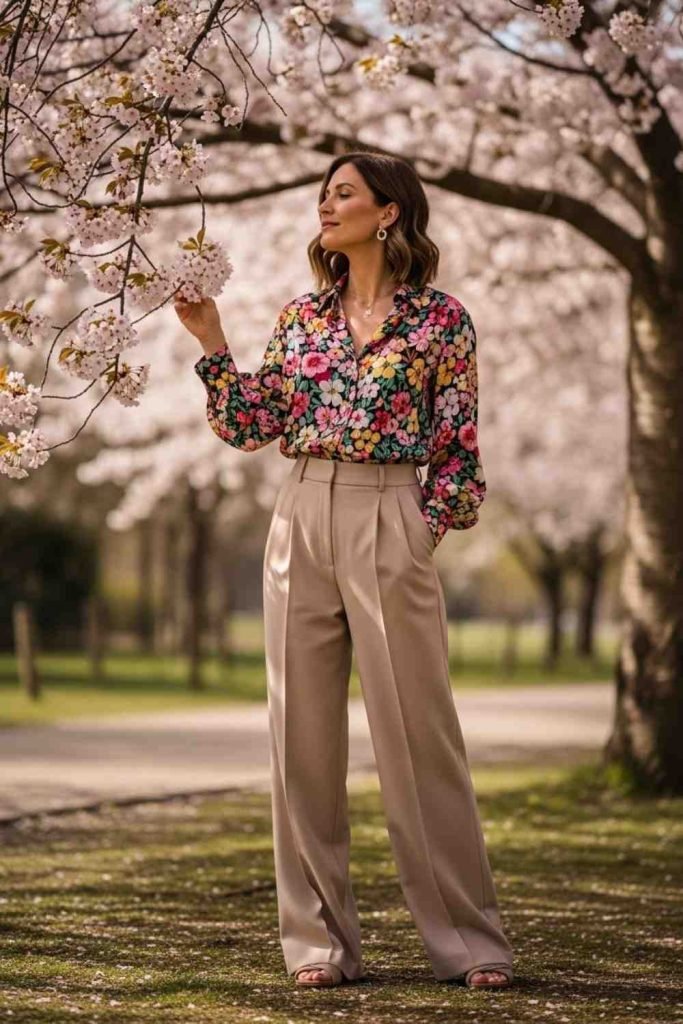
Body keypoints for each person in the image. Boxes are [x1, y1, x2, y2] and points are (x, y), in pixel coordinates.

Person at [175, 151, 514, 991]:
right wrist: (212, 340)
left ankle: (468, 942)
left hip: (390, 515)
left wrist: (417, 529)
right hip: (300, 515)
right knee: (301, 740)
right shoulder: (300, 320)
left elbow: (459, 454)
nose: (325, 207)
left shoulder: (441, 322)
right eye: (323, 195)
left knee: (418, 737)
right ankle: (318, 943)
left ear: (388, 212)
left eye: (343, 194)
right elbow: (253, 423)